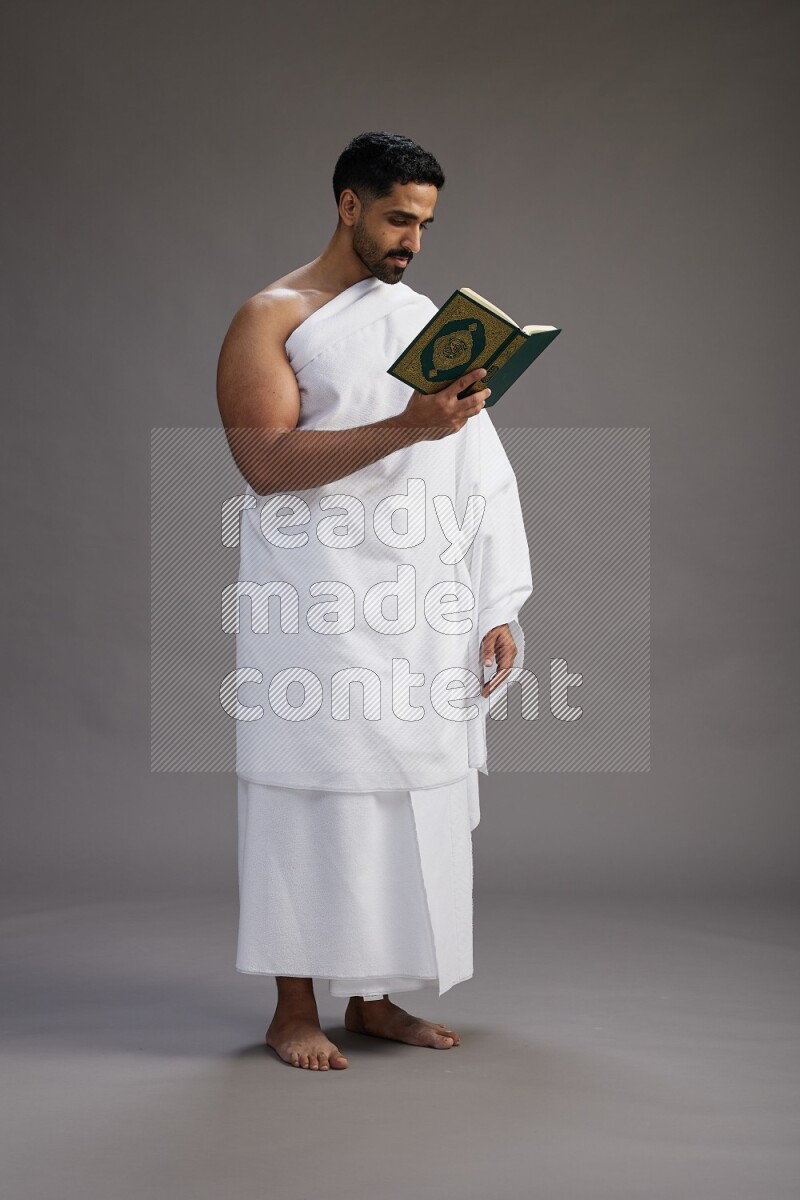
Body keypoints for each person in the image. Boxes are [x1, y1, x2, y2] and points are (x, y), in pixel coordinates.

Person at [216, 131, 532, 1070]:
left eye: (426, 224)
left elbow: (480, 465)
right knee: (309, 793)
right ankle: (291, 1009)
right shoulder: (270, 317)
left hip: (421, 602)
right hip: (314, 604)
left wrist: (494, 603)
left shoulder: (422, 319)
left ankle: (374, 998)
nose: (413, 244)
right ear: (348, 204)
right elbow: (265, 463)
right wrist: (406, 426)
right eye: (399, 219)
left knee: (401, 798)